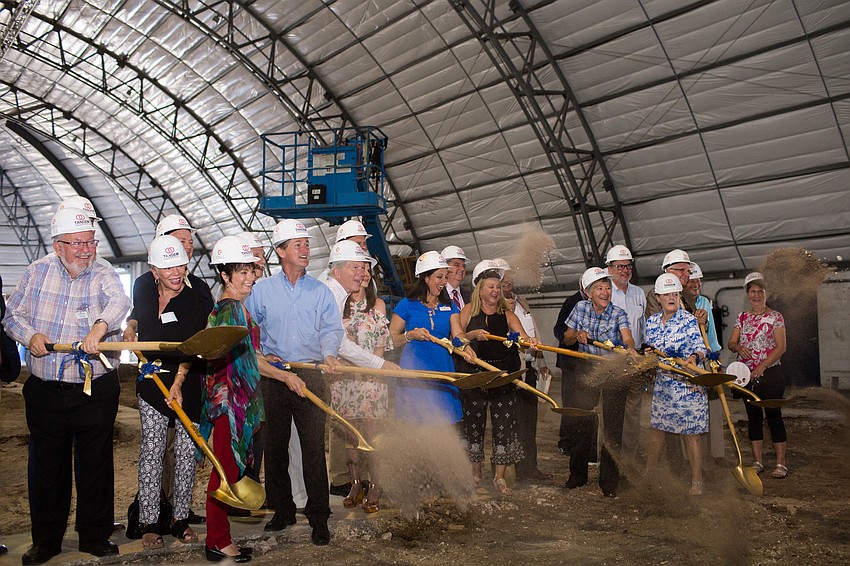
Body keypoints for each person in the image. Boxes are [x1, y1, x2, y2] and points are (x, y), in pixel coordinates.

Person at [3, 208, 130, 564]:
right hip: (46, 388)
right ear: (58, 245)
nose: (86, 250)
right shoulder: (37, 271)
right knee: (47, 467)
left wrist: (99, 328)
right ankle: (46, 540)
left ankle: (94, 536)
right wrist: (31, 337)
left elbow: (119, 302)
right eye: (78, 243)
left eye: (90, 242)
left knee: (96, 464)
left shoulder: (103, 272)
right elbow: (12, 315)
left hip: (94, 390)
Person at [202, 236, 302, 562]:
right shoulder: (229, 310)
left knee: (229, 469)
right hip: (228, 404)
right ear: (225, 276)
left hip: (238, 402)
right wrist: (285, 376)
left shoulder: (237, 309)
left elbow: (247, 355)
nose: (250, 278)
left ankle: (220, 538)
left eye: (252, 271)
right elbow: (241, 360)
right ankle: (217, 541)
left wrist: (268, 360)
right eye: (241, 272)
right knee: (225, 472)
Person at [244, 219, 343, 545]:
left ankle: (319, 517)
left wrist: (329, 354)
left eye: (306, 244)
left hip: (312, 374)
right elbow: (247, 330)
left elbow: (331, 329)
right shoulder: (261, 291)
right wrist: (261, 355)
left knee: (313, 448)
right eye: (298, 245)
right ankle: (282, 510)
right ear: (280, 251)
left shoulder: (320, 291)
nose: (305, 249)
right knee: (275, 448)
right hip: (273, 377)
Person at [125, 213, 213, 525]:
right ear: (154, 269)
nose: (176, 271)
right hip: (150, 380)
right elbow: (139, 315)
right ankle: (149, 520)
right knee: (153, 450)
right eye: (168, 266)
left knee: (186, 453)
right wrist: (130, 327)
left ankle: (179, 518)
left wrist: (179, 381)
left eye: (181, 264)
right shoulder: (143, 287)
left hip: (185, 383)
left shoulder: (195, 296)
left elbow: (193, 344)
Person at [561, 267, 637, 498]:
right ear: (589, 293)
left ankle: (609, 482)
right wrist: (578, 335)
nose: (604, 292)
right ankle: (577, 475)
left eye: (607, 288)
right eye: (599, 288)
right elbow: (566, 337)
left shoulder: (618, 313)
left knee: (613, 428)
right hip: (587, 370)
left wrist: (630, 349)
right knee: (581, 420)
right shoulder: (580, 308)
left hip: (613, 371)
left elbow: (627, 337)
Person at [458, 260, 533, 494]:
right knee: (474, 427)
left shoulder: (507, 314)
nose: (495, 291)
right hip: (476, 378)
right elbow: (457, 339)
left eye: (497, 287)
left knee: (503, 426)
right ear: (480, 289)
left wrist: (530, 342)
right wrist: (472, 334)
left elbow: (522, 337)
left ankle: (499, 478)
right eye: (490, 286)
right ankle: (475, 475)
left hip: (503, 377)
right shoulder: (468, 312)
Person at [329, 245, 394, 512]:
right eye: (358, 268)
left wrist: (374, 370)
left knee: (372, 437)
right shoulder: (337, 302)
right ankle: (355, 483)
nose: (363, 274)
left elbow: (380, 347)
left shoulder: (377, 305)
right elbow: (332, 343)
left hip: (371, 383)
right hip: (343, 383)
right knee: (350, 437)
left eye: (367, 269)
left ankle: (376, 486)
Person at [388, 251, 472, 424]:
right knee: (415, 423)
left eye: (445, 277)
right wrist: (410, 335)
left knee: (443, 421)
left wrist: (466, 347)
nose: (443, 282)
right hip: (415, 370)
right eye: (439, 277)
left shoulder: (450, 307)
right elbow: (391, 339)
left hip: (442, 370)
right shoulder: (407, 305)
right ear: (426, 278)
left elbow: (458, 335)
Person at [643, 274, 708, 495]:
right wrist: (648, 354)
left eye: (675, 294)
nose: (671, 298)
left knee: (691, 434)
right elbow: (651, 350)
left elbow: (701, 347)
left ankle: (696, 481)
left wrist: (694, 358)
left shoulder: (688, 320)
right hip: (664, 386)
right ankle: (649, 472)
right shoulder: (651, 323)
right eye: (667, 294)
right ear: (658, 297)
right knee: (657, 430)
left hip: (688, 387)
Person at [727, 272, 788, 479]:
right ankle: (758, 462)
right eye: (752, 291)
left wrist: (762, 365)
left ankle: (780, 463)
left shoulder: (776, 317)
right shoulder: (742, 318)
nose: (756, 295)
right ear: (747, 294)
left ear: (766, 293)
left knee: (774, 416)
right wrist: (738, 346)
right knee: (753, 417)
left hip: (770, 373)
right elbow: (731, 343)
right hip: (746, 376)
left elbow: (781, 348)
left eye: (760, 291)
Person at [499, 266, 551, 481]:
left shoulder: (521, 301)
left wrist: (542, 363)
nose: (508, 281)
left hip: (528, 368)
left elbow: (533, 333)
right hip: (510, 371)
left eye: (510, 277)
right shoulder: (494, 307)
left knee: (529, 421)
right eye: (503, 278)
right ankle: (512, 469)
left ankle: (530, 467)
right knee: (512, 422)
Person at [605, 245, 646, 464]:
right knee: (611, 411)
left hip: (635, 358)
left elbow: (643, 326)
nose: (625, 270)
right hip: (610, 360)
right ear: (609, 268)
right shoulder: (605, 292)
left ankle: (629, 458)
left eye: (628, 266)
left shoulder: (638, 293)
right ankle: (610, 455)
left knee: (633, 411)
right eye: (620, 266)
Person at [687, 263, 725, 465]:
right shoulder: (680, 302)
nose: (696, 284)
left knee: (715, 405)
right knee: (693, 410)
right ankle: (693, 458)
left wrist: (715, 357)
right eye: (692, 280)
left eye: (698, 280)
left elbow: (710, 335)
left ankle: (717, 454)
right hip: (691, 361)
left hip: (709, 357)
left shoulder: (705, 302)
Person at [553, 287, 589, 458]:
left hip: (588, 363)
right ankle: (566, 441)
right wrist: (569, 340)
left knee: (584, 403)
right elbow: (559, 329)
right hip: (571, 362)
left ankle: (582, 442)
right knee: (570, 401)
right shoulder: (572, 301)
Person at [441, 245, 470, 310]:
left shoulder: (470, 296)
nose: (462, 269)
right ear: (445, 267)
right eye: (457, 265)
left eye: (464, 266)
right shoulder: (437, 294)